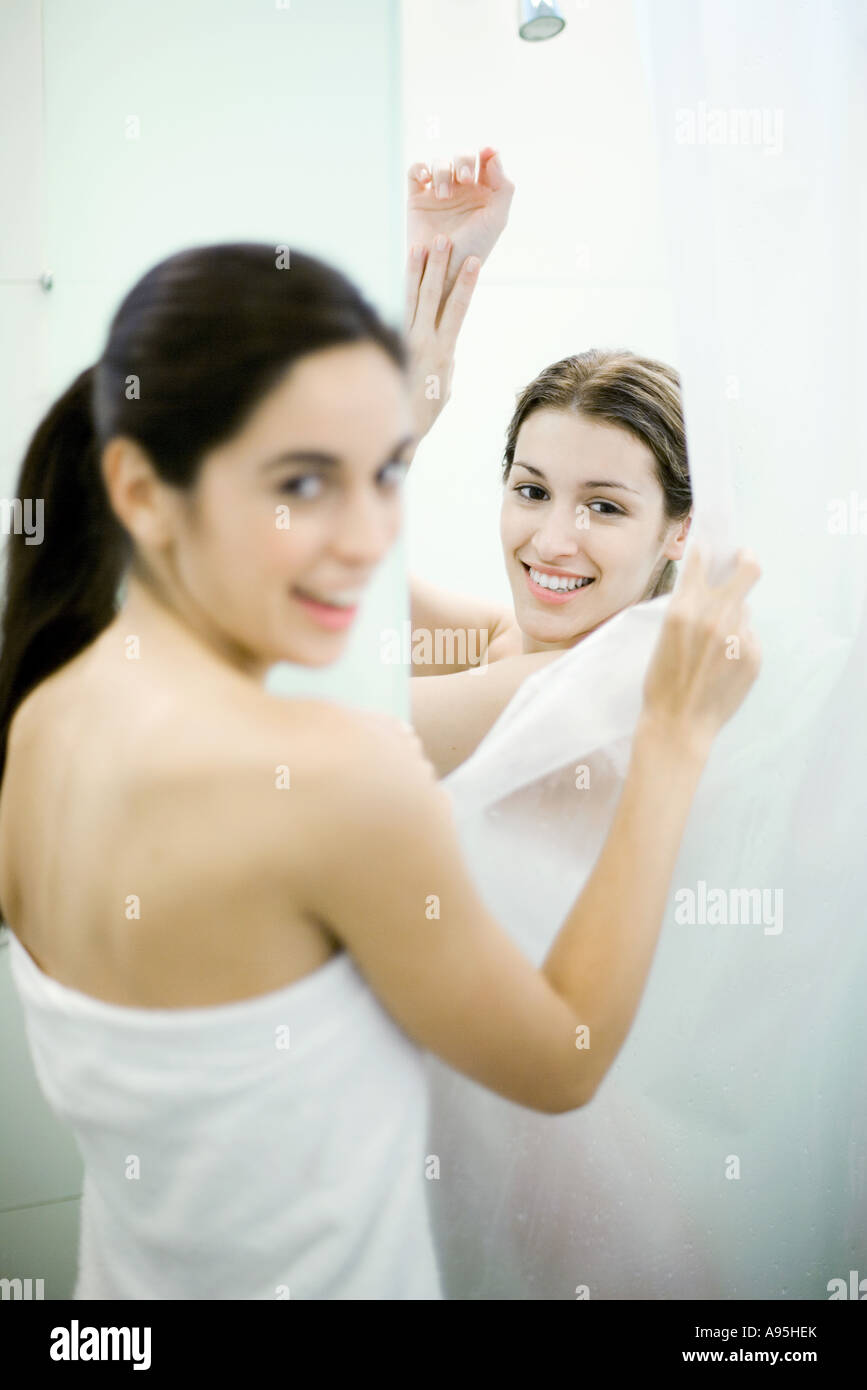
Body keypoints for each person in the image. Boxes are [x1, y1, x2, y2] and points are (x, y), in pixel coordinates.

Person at [0, 241, 760, 1299]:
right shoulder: (334, 775)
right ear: (140, 490)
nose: (366, 539)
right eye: (304, 483)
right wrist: (675, 735)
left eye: (377, 480)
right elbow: (563, 1057)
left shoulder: (43, 715)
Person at [403, 151, 693, 776]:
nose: (554, 541)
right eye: (533, 492)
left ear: (680, 528)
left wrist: (398, 429)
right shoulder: (511, 642)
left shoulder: (590, 687)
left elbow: (317, 715)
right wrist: (428, 268)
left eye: (605, 506)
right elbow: (339, 585)